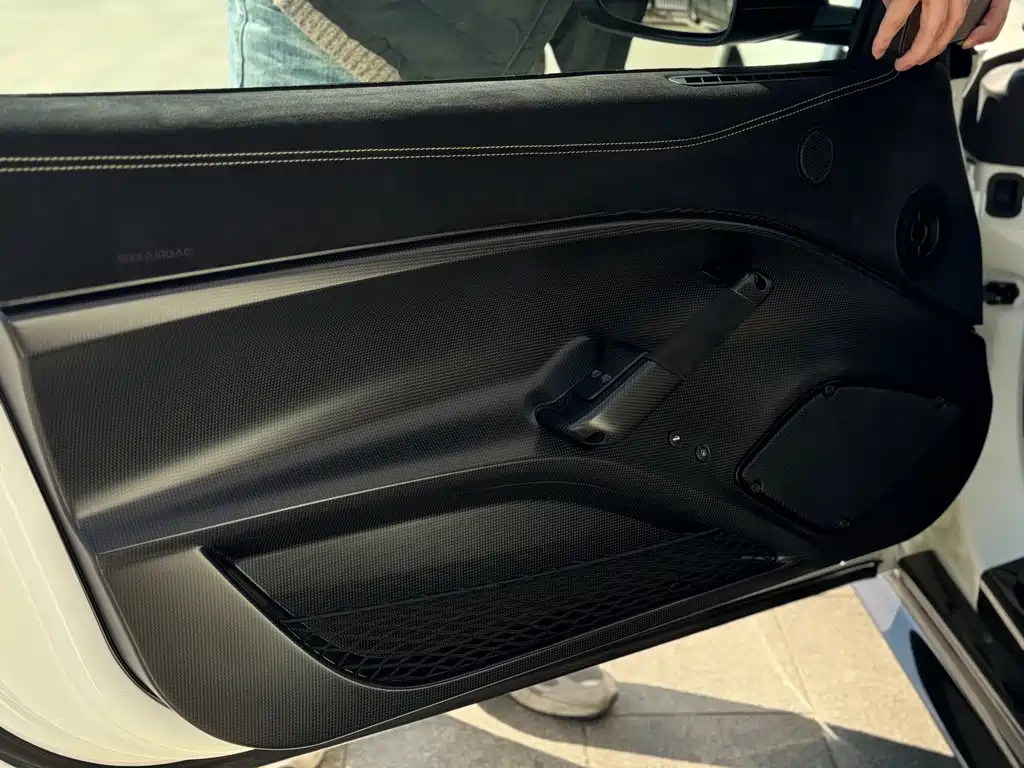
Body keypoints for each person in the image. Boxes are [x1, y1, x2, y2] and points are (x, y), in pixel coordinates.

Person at [226, 0, 1012, 722]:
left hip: (528, 49)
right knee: (305, 388)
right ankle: (266, 675)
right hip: (351, 33)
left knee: (491, 365)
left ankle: (482, 626)